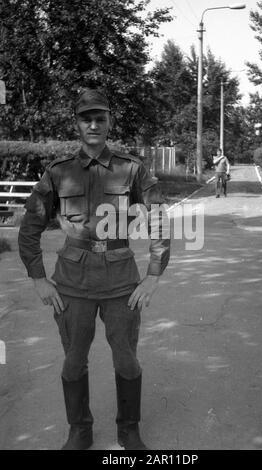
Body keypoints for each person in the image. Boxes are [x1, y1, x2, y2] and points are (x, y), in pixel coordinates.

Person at [18, 88, 170, 451]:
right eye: (86, 118)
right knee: (73, 362)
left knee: (127, 360)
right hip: (72, 283)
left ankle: (128, 430)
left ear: (109, 122)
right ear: (77, 124)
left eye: (100, 118)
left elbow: (160, 220)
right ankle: (79, 430)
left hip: (121, 282)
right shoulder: (59, 172)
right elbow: (30, 226)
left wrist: (153, 274)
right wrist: (39, 278)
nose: (93, 124)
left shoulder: (130, 169)